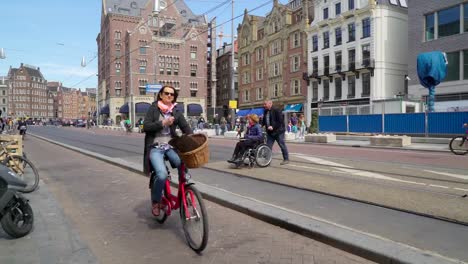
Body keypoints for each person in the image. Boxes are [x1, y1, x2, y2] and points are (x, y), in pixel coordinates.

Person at [143, 85, 192, 217]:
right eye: (166, 93)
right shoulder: (153, 108)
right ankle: (156, 201)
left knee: (183, 164)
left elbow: (185, 127)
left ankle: (184, 192)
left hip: (170, 146)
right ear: (161, 95)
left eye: (172, 94)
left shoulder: (175, 111)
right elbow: (145, 126)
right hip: (155, 147)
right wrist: (163, 123)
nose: (169, 96)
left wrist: (193, 138)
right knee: (162, 175)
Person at [262, 98, 289, 165]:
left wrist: (273, 127)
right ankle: (267, 161)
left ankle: (286, 159)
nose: (264, 105)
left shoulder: (276, 110)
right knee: (268, 146)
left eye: (265, 104)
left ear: (270, 103)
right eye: (264, 104)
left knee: (282, 145)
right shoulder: (265, 111)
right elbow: (264, 120)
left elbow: (280, 121)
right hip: (270, 132)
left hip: (278, 132)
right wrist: (261, 125)